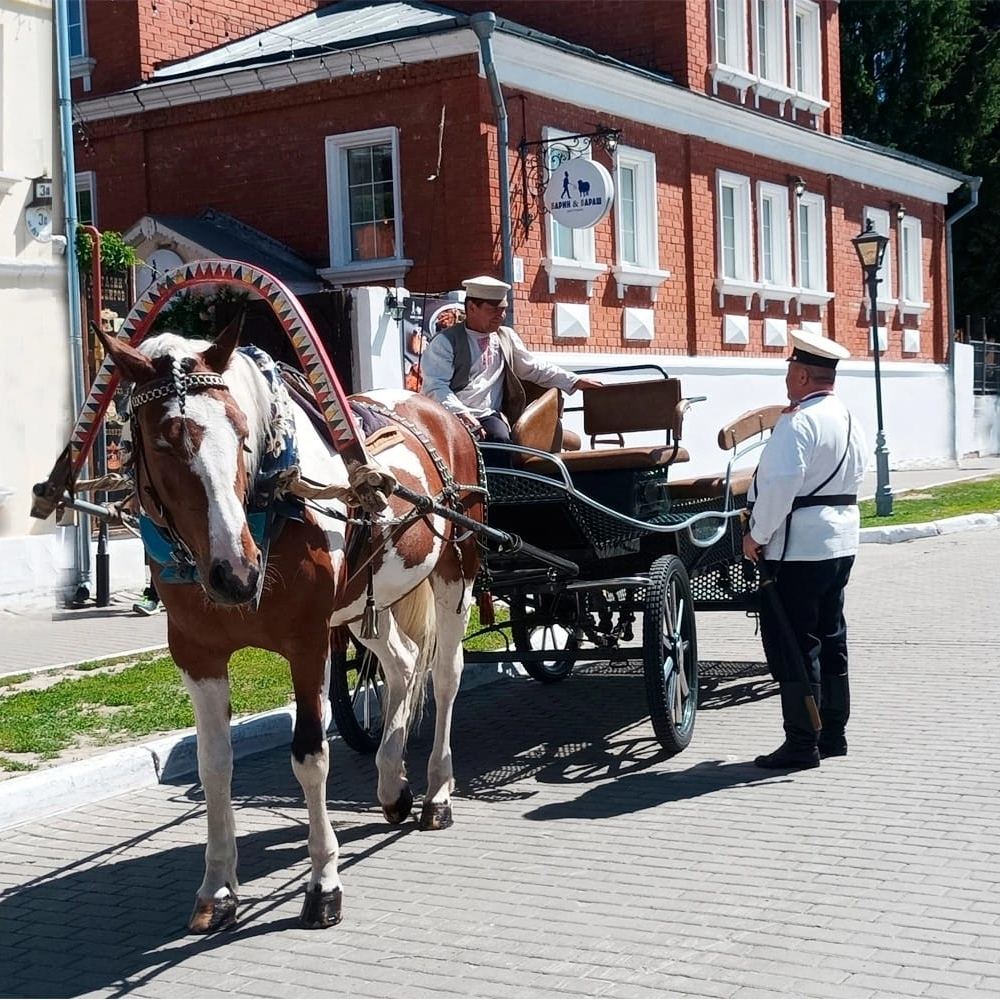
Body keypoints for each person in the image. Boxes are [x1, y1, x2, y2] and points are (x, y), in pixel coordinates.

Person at [741, 329, 868, 770]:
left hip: (797, 548)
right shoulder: (849, 417)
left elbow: (779, 486)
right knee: (831, 637)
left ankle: (801, 742)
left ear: (799, 376)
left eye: (789, 372)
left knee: (794, 644)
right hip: (839, 542)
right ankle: (833, 733)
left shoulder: (797, 422)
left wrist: (756, 534)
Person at [419, 275, 603, 444]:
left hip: (487, 415)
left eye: (503, 310)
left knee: (500, 440)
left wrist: (575, 380)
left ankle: (504, 481)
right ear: (472, 308)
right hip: (448, 414)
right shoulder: (445, 342)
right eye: (493, 310)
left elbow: (532, 368)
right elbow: (435, 386)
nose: (501, 316)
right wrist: (461, 413)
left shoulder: (505, 337)